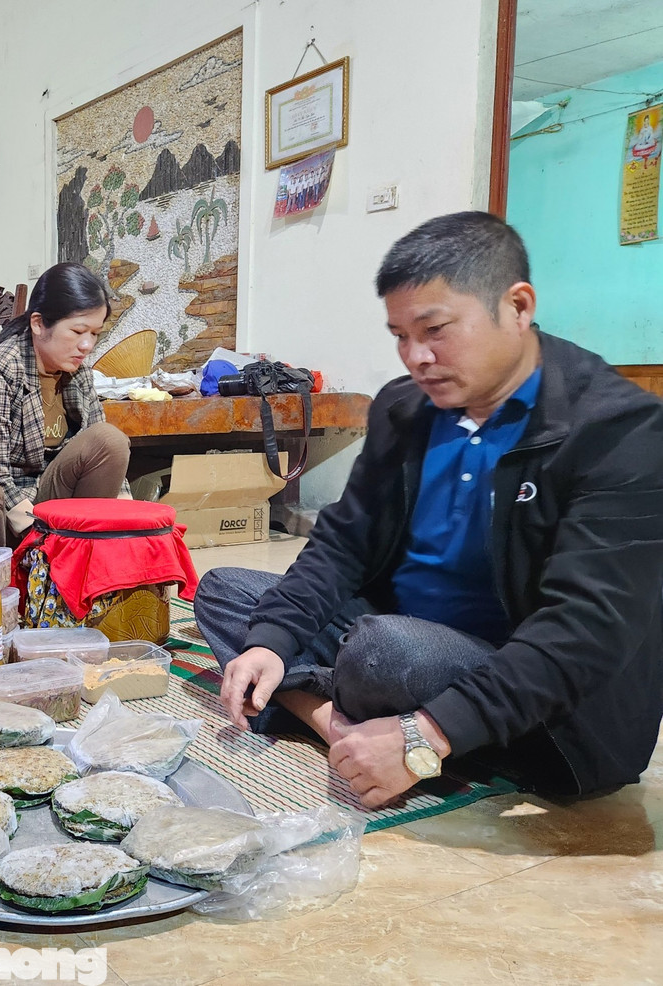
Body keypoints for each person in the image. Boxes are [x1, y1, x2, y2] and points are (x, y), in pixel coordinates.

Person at [196, 211, 663, 807]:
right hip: (395, 630)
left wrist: (431, 732)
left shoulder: (617, 430)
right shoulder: (405, 408)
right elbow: (344, 543)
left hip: (527, 684)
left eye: (435, 329)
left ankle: (401, 729)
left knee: (384, 650)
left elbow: (586, 629)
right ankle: (338, 727)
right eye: (399, 335)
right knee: (227, 593)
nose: (415, 356)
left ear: (517, 307)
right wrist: (272, 640)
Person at [0, 261, 131, 548]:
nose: (87, 345)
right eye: (78, 331)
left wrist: (131, 524)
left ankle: (81, 552)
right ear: (38, 323)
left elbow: (99, 440)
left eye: (95, 333)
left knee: (110, 440)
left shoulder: (78, 372)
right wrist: (40, 542)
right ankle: (0, 576)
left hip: (40, 506)